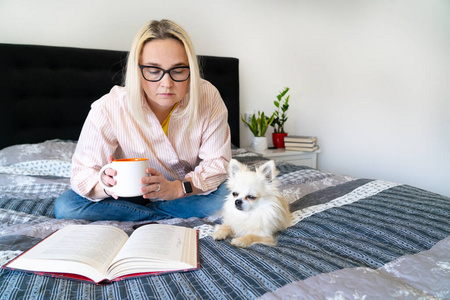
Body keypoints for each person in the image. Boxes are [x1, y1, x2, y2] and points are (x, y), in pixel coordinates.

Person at [54, 19, 231, 221]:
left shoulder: (208, 96)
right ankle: (158, 215)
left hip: (186, 192)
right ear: (138, 71)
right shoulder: (108, 108)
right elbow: (82, 173)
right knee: (67, 206)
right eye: (154, 71)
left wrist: (177, 188)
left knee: (230, 193)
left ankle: (142, 217)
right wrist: (104, 183)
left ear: (191, 69)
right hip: (130, 196)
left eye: (178, 70)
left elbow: (217, 164)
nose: (167, 84)